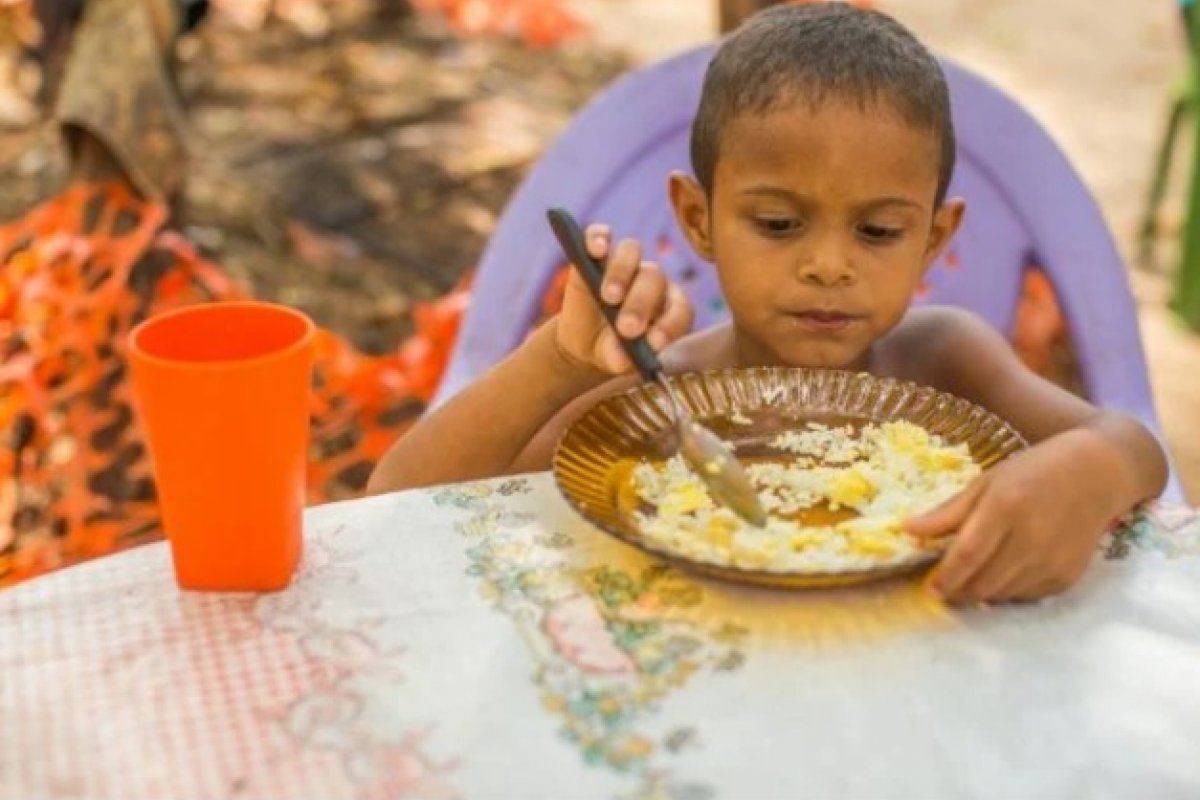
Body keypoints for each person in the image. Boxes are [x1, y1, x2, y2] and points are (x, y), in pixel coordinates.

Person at [366, 3, 1168, 605]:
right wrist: (559, 362)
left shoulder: (946, 360)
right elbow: (397, 500)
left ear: (934, 237)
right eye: (779, 223)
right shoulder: (658, 401)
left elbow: (1134, 448)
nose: (827, 265)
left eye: (879, 230)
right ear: (698, 219)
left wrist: (1090, 467)